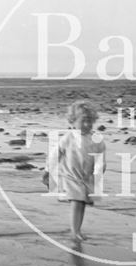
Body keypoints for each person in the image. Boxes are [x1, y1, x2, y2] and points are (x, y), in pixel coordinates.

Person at [44, 100, 106, 241]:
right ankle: (74, 231)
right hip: (70, 176)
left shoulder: (96, 139)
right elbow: (55, 154)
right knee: (76, 202)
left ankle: (77, 229)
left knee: (82, 203)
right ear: (73, 121)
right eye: (83, 121)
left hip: (86, 177)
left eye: (90, 121)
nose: (87, 125)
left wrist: (100, 171)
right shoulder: (68, 138)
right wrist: (48, 171)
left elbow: (101, 155)